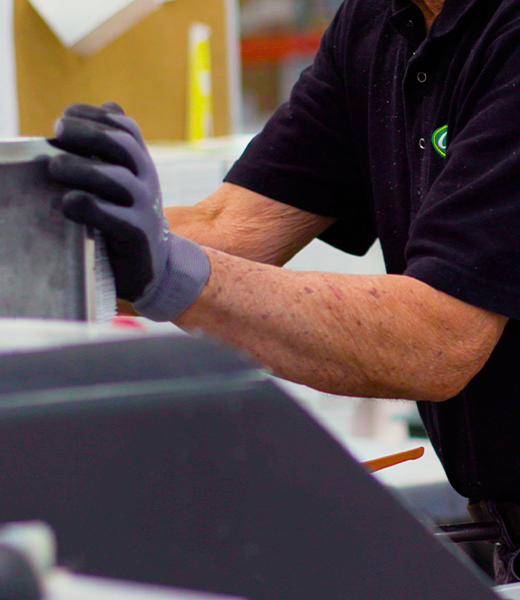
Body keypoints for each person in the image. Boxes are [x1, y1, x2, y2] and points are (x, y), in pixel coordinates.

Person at [48, 0, 520, 584]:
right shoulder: (378, 22)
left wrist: (164, 266)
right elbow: (231, 228)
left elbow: (437, 338)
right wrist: (37, 242)